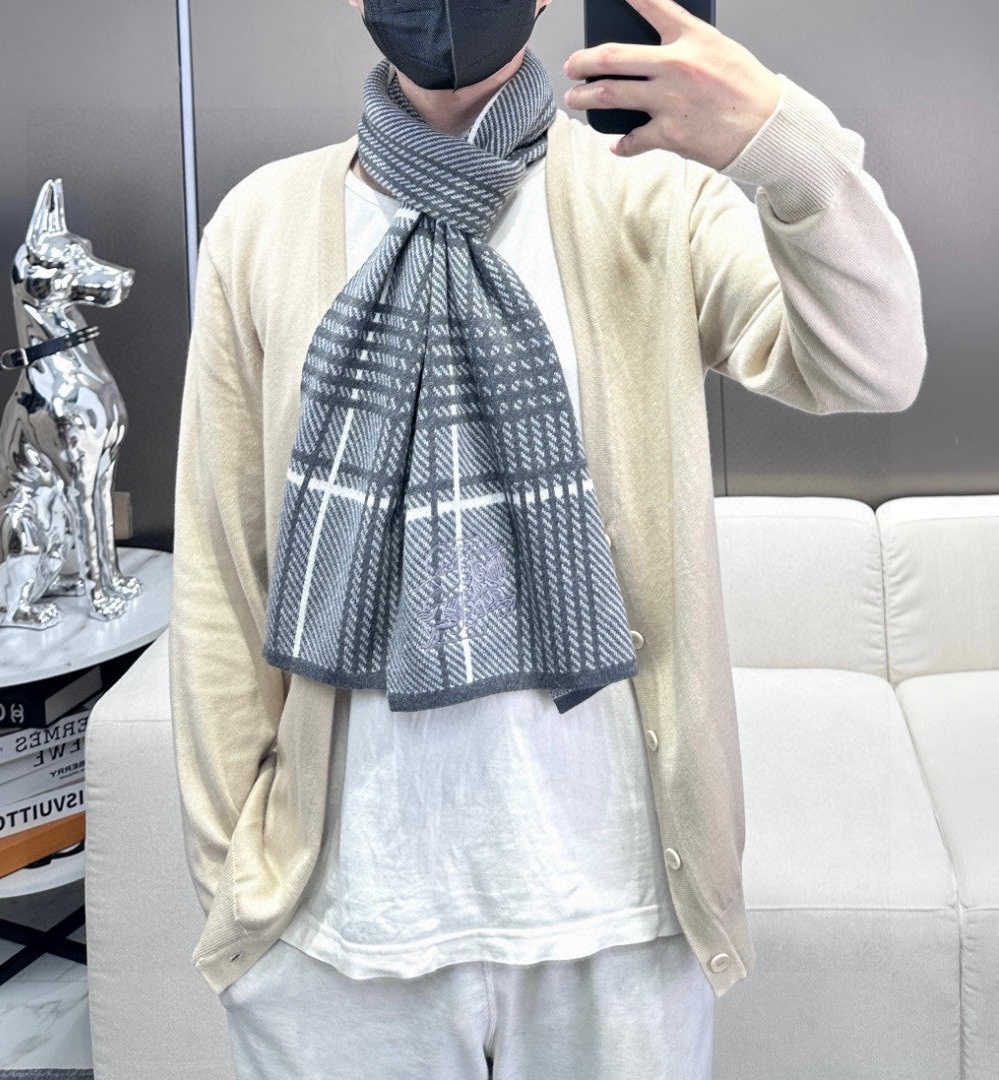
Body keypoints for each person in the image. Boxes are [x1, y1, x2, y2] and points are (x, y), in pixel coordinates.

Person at [168, 0, 927, 1077]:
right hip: (338, 931)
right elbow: (221, 570)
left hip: (616, 916)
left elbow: (873, 365)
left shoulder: (648, 196)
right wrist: (234, 880)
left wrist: (776, 142)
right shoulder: (261, 224)